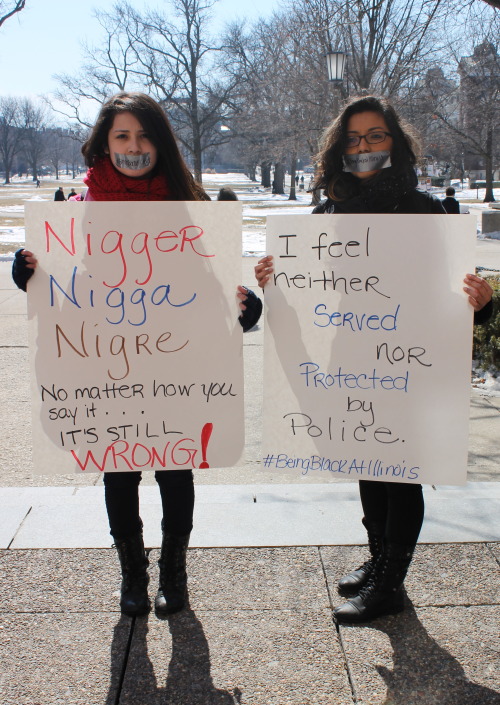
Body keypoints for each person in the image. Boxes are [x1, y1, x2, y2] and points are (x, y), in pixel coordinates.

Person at [12, 92, 261, 620]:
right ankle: (132, 572)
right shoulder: (74, 214)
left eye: (144, 136)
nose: (133, 147)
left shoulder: (190, 207)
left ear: (161, 142)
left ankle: (174, 573)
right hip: (104, 366)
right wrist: (28, 273)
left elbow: (218, 295)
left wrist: (246, 309)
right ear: (104, 143)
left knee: (175, 472)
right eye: (122, 136)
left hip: (175, 369)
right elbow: (59, 294)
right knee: (118, 473)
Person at [254, 95, 493, 624]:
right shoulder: (328, 212)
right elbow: (308, 291)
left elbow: (457, 301)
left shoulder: (429, 210)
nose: (364, 147)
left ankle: (390, 583)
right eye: (354, 138)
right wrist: (275, 280)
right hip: (350, 355)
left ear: (395, 142)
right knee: (367, 459)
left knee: (402, 470)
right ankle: (379, 559)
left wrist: (482, 300)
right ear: (340, 148)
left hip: (407, 361)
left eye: (376, 136)